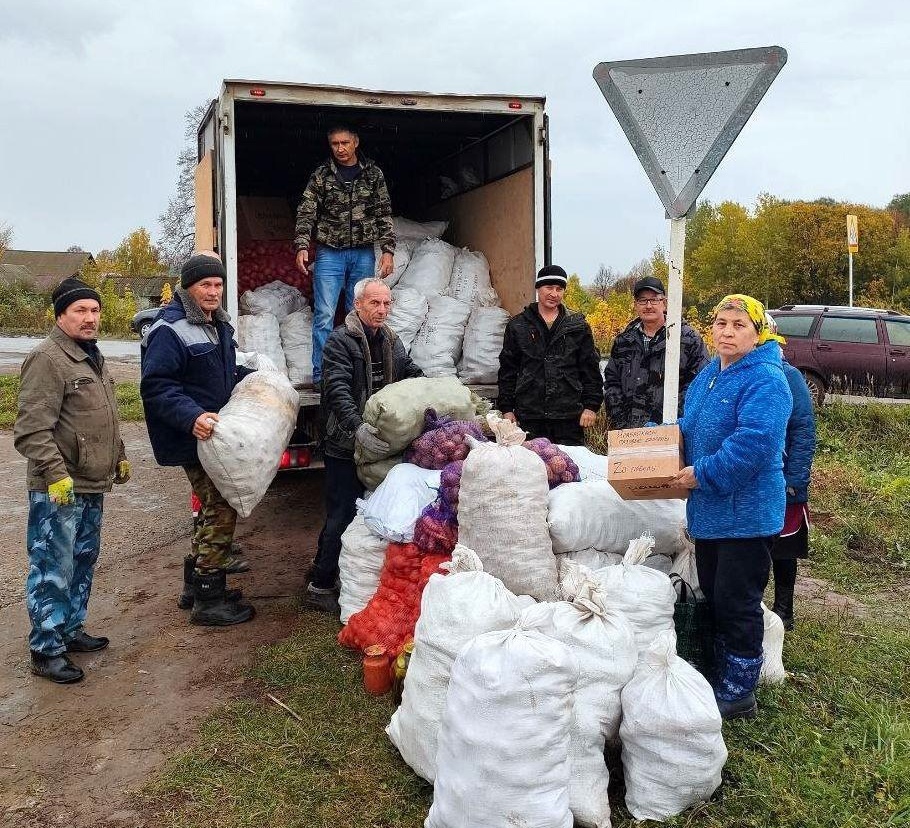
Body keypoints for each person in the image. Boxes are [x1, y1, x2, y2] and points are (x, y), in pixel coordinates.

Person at [672, 294, 792, 720]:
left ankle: (740, 689)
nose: (726, 331)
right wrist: (653, 443)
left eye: (738, 325)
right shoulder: (710, 374)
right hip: (709, 514)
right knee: (715, 593)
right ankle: (723, 671)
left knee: (737, 600)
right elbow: (689, 426)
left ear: (758, 334)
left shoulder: (766, 380)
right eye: (721, 323)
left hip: (747, 515)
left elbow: (753, 445)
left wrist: (700, 473)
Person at [14, 277, 130, 684]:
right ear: (60, 315)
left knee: (82, 559)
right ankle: (46, 648)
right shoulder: (47, 358)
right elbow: (30, 430)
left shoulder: (90, 356)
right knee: (52, 565)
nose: (90, 318)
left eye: (95, 310)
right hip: (58, 488)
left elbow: (100, 416)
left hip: (91, 483)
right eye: (80, 311)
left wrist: (118, 455)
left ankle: (69, 627)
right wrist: (56, 476)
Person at [140, 252, 255, 627]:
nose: (213, 291)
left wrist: (254, 375)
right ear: (188, 288)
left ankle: (195, 584)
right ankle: (210, 597)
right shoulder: (169, 330)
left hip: (214, 435)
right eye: (205, 285)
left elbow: (220, 372)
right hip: (193, 436)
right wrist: (191, 417)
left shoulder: (217, 324)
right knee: (221, 505)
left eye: (218, 284)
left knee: (210, 507)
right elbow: (157, 387)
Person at [305, 278, 423, 613]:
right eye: (375, 303)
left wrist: (434, 388)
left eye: (387, 304)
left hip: (379, 442)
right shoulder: (341, 341)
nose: (382, 310)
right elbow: (337, 390)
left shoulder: (389, 339)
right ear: (358, 305)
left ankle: (347, 571)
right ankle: (321, 583)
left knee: (374, 509)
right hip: (345, 442)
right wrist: (357, 427)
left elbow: (409, 371)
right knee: (341, 511)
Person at [294, 124, 395, 385]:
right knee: (325, 315)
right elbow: (307, 212)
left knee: (359, 314)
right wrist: (302, 245)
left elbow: (383, 212)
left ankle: (357, 376)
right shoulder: (321, 175)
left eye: (345, 143)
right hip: (330, 252)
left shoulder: (373, 174)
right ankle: (323, 376)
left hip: (363, 252)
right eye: (335, 144)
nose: (340, 148)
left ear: (356, 143)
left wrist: (387, 250)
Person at [496, 265, 603, 446]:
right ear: (538, 288)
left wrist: (591, 406)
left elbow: (590, 368)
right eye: (549, 288)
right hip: (530, 415)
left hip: (568, 416)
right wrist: (507, 409)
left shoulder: (577, 325)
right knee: (532, 468)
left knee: (568, 469)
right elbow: (508, 369)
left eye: (559, 289)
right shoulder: (518, 325)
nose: (554, 294)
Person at [603, 275, 709, 429]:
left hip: (672, 429)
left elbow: (699, 382)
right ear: (636, 305)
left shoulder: (687, 338)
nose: (648, 305)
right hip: (628, 432)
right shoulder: (623, 341)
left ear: (664, 303)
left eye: (654, 300)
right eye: (642, 300)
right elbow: (612, 382)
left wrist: (674, 420)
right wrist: (620, 421)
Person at [766, 313, 816, 630]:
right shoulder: (730, 373)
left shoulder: (789, 376)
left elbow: (803, 431)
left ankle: (784, 610)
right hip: (751, 478)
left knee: (784, 546)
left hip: (784, 476)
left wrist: (795, 478)